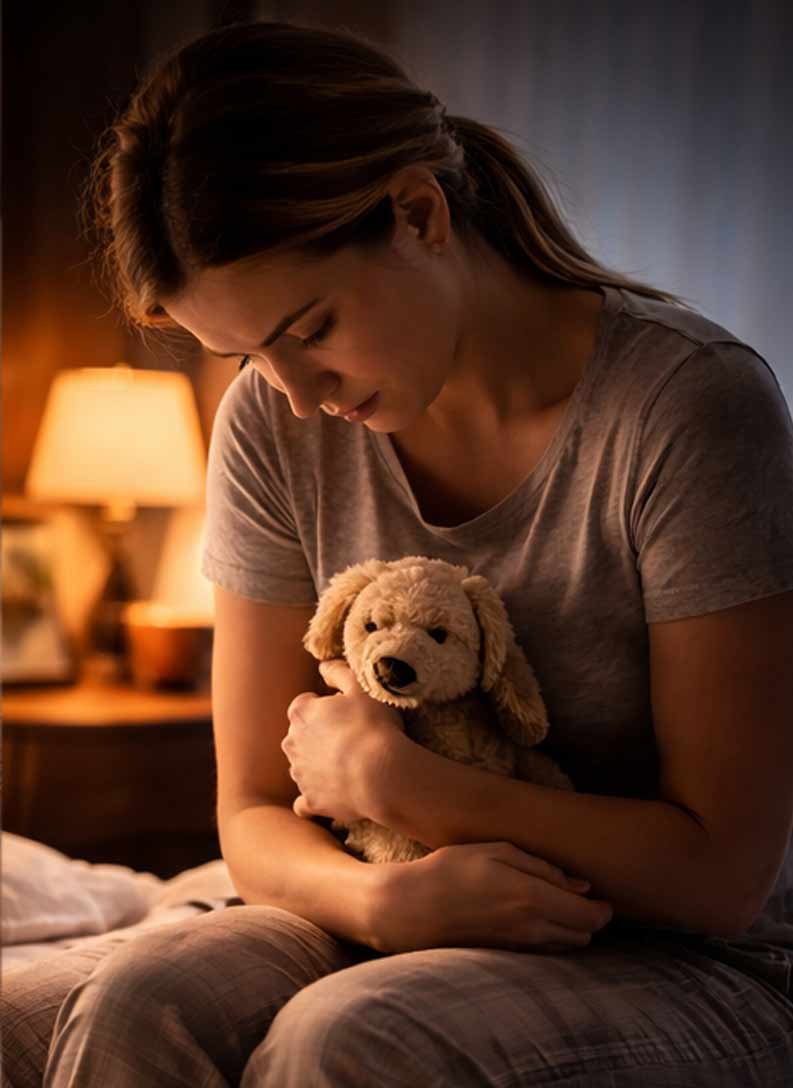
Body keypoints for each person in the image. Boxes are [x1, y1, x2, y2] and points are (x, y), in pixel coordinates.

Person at [6, 17, 793, 1086]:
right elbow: (247, 811)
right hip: (383, 899)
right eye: (246, 354)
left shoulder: (686, 410)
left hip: (692, 955)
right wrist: (381, 898)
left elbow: (720, 878)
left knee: (353, 1039)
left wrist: (414, 785)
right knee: (139, 999)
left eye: (311, 327)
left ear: (418, 212)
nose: (293, 393)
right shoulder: (271, 421)